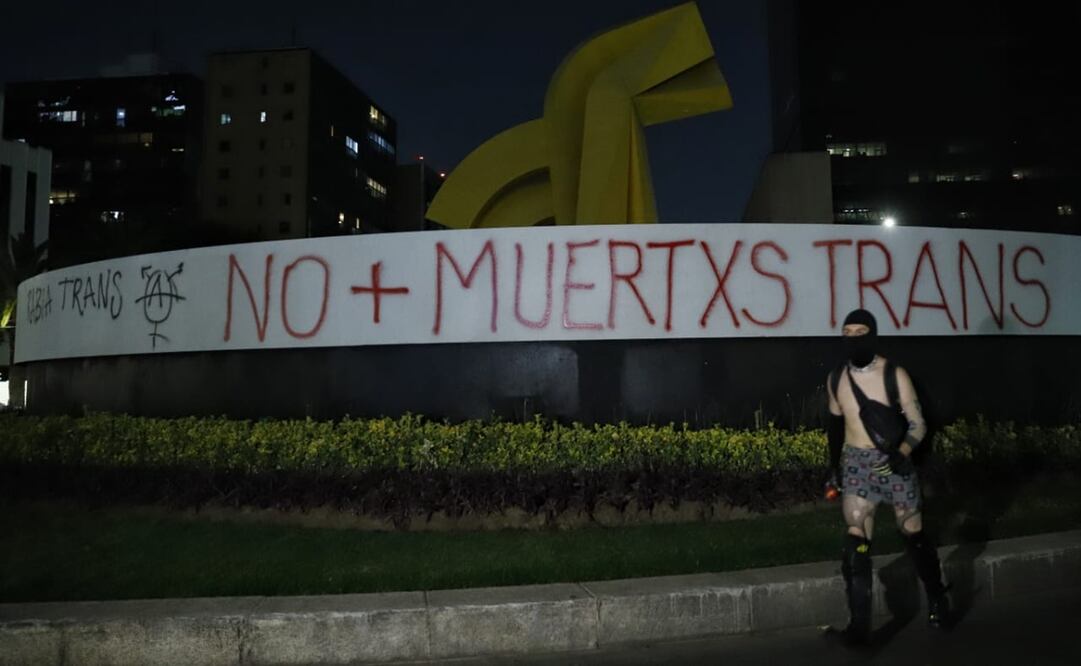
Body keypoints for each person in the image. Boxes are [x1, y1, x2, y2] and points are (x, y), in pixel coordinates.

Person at [824, 308, 950, 645]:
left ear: (873, 335)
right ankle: (859, 628)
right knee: (856, 542)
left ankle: (937, 599)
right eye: (847, 333)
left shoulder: (895, 375)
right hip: (857, 463)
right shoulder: (836, 378)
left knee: (912, 531)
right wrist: (834, 468)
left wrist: (902, 452)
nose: (853, 340)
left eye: (860, 333)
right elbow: (835, 426)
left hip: (894, 462)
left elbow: (918, 424)